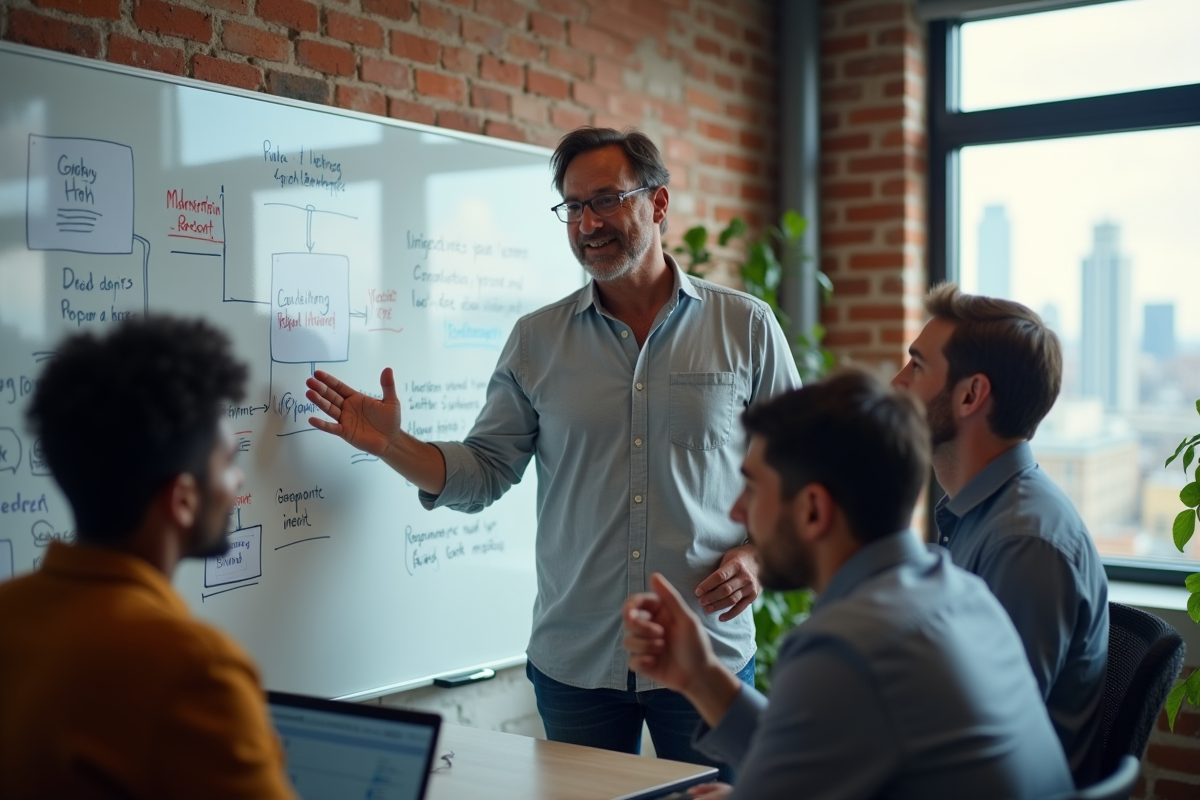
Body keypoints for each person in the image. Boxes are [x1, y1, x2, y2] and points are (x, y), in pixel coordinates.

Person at [304, 127, 799, 775]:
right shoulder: (536, 340)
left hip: (707, 655)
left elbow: (801, 479)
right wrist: (394, 444)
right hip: (578, 666)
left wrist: (758, 559)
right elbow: (483, 473)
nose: (588, 222)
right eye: (573, 206)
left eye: (606, 199)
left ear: (657, 203)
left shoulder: (746, 326)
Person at [622, 371, 1074, 800]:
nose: (737, 513)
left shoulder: (846, 646)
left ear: (814, 510)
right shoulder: (965, 594)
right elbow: (800, 754)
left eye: (753, 488)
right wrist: (699, 677)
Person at [0, 318, 295, 800]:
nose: (237, 482)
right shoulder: (195, 670)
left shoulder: (8, 612)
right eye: (228, 462)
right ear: (182, 499)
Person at [892, 283, 1108, 786]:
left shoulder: (1022, 541)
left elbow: (975, 747)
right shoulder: (978, 517)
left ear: (971, 395)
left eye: (917, 367)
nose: (897, 383)